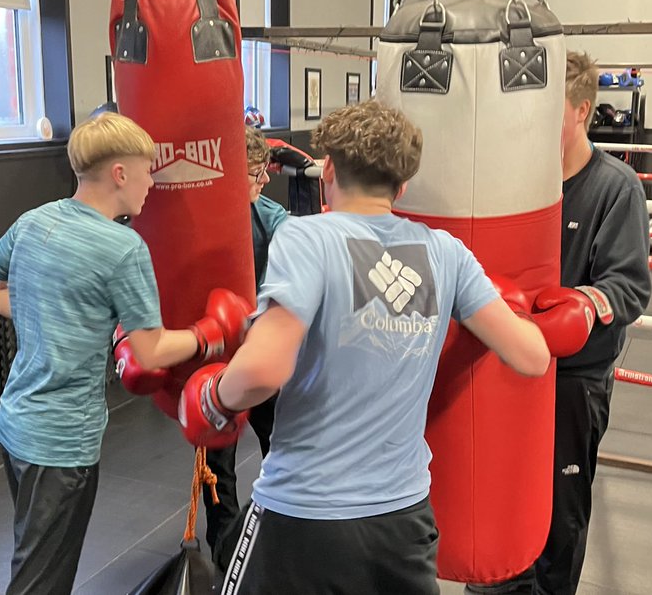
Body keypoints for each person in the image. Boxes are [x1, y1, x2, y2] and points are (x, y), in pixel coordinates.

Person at [175, 99, 553, 594]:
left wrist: (212, 398)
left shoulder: (306, 237)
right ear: (402, 186)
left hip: (303, 510)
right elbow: (533, 356)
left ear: (327, 168)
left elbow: (263, 371)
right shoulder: (446, 253)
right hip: (403, 519)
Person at [0, 111, 250, 595]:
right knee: (41, 581)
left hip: (16, 422)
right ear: (119, 173)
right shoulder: (123, 248)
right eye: (146, 170)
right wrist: (210, 334)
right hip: (61, 441)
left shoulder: (34, 222)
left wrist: (56, 310)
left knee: (32, 551)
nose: (151, 183)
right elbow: (151, 348)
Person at [472, 52, 652, 595]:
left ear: (581, 112)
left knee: (559, 512)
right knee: (496, 498)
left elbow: (630, 286)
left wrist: (579, 307)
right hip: (507, 367)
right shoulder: (516, 184)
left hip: (573, 378)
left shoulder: (615, 188)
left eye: (547, 111)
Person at [201, 126, 288, 559]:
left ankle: (282, 527)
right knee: (218, 459)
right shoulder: (200, 218)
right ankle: (223, 543)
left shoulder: (270, 217)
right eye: (256, 172)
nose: (265, 179)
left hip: (259, 351)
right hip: (215, 356)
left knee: (281, 438)